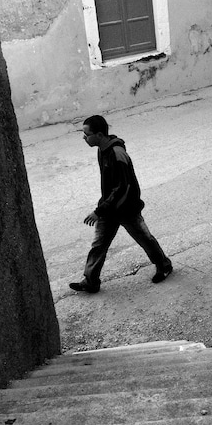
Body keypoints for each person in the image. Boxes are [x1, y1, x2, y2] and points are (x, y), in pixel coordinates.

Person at [69, 115, 172, 293]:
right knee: (98, 245)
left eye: (87, 134)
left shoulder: (117, 154)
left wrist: (99, 211)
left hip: (126, 209)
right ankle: (91, 281)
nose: (84, 138)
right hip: (110, 209)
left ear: (99, 135)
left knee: (145, 239)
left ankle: (164, 266)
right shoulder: (102, 148)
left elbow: (122, 188)